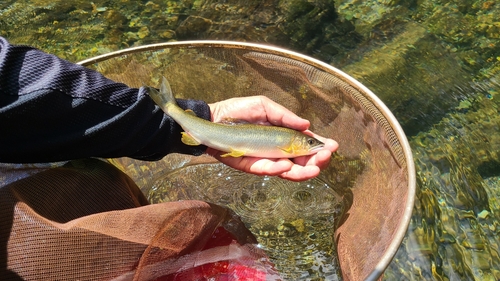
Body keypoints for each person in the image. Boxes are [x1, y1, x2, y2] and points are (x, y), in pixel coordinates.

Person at [0, 36, 337, 181]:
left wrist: (201, 118)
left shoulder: (284, 142)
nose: (311, 143)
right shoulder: (285, 144)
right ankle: (169, 108)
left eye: (309, 143)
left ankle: (170, 109)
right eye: (309, 142)